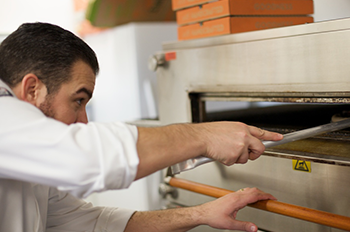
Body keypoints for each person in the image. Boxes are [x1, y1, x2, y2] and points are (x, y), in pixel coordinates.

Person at [0, 22, 283, 232]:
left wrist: (201, 214)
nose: (84, 120)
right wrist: (205, 136)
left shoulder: (31, 161)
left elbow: (93, 223)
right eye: (78, 100)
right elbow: (85, 160)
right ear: (32, 89)